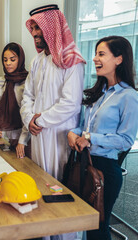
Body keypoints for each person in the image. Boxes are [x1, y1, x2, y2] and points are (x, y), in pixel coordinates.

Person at [68, 36, 138, 240]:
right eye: (96, 54)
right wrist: (73, 133)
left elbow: (125, 140)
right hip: (83, 164)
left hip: (105, 170)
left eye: (101, 54)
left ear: (119, 59)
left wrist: (90, 137)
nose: (95, 58)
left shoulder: (129, 96)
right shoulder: (100, 91)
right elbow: (83, 127)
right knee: (85, 223)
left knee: (98, 228)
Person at [21, 4, 85, 180]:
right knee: (38, 179)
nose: (34, 33)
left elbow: (71, 103)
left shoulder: (72, 60)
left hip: (59, 135)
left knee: (57, 186)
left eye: (38, 27)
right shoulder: (37, 61)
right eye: (32, 28)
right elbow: (27, 95)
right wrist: (29, 119)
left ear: (51, 28)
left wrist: (39, 120)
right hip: (37, 132)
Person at [0, 42, 30, 159]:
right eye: (5, 60)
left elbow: (28, 115)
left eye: (12, 60)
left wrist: (22, 141)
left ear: (20, 59)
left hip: (25, 138)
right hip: (7, 137)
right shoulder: (0, 81)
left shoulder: (27, 81)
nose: (8, 63)